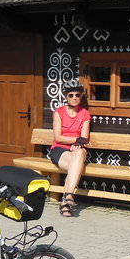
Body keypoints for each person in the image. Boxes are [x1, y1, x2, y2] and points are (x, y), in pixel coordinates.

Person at [50, 83, 91, 217]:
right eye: (71, 95)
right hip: (60, 150)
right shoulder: (59, 112)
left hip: (77, 150)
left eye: (77, 95)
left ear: (81, 96)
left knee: (79, 154)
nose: (74, 98)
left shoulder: (85, 114)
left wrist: (79, 143)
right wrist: (76, 140)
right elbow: (58, 137)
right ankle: (67, 198)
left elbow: (84, 138)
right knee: (75, 166)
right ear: (66, 97)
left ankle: (67, 197)